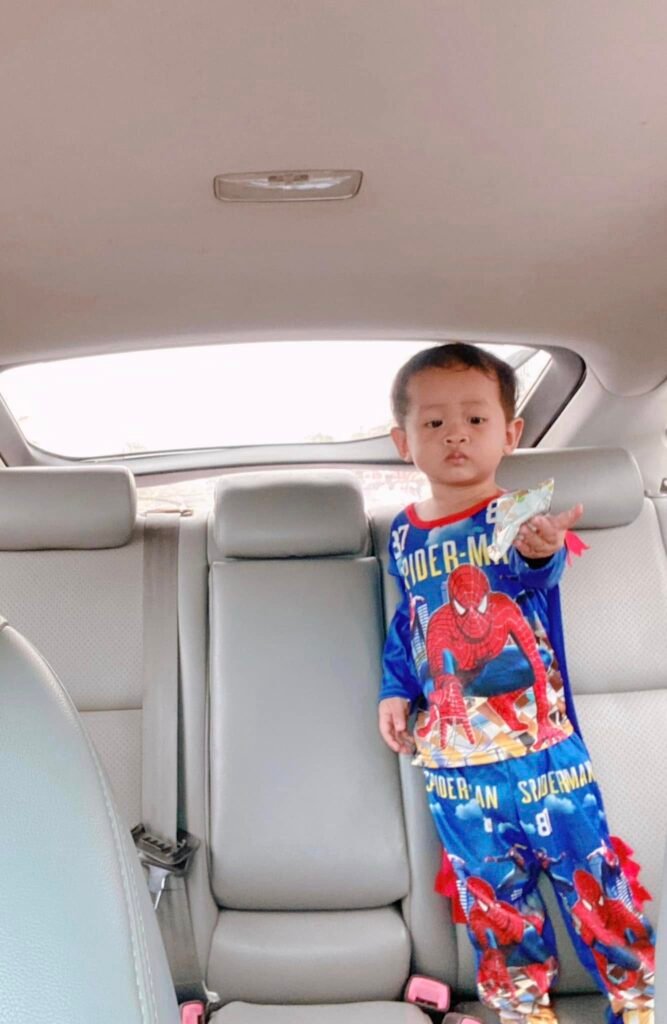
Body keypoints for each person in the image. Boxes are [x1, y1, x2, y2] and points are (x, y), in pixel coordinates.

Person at [378, 343, 654, 1024]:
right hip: (454, 771)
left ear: (509, 434)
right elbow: (410, 622)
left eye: (474, 420)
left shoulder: (519, 517)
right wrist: (392, 688)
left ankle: (637, 1004)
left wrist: (541, 551)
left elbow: (533, 578)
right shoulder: (402, 536)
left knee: (596, 887)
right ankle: (523, 1011)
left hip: (545, 759)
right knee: (492, 904)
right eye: (434, 423)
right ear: (402, 441)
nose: (454, 436)